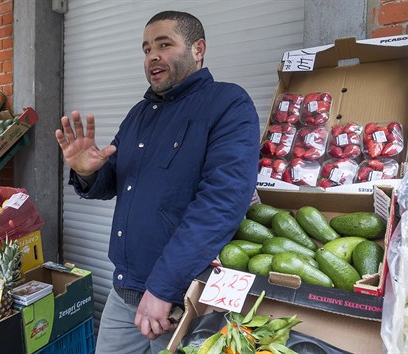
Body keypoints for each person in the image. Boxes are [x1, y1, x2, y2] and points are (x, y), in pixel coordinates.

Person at [55, 10, 260, 354]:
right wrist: (87, 170)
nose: (153, 56)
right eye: (147, 48)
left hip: (185, 301)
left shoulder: (228, 104)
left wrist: (163, 288)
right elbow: (112, 182)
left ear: (198, 49)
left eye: (164, 44)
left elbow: (221, 205)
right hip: (125, 293)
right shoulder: (139, 114)